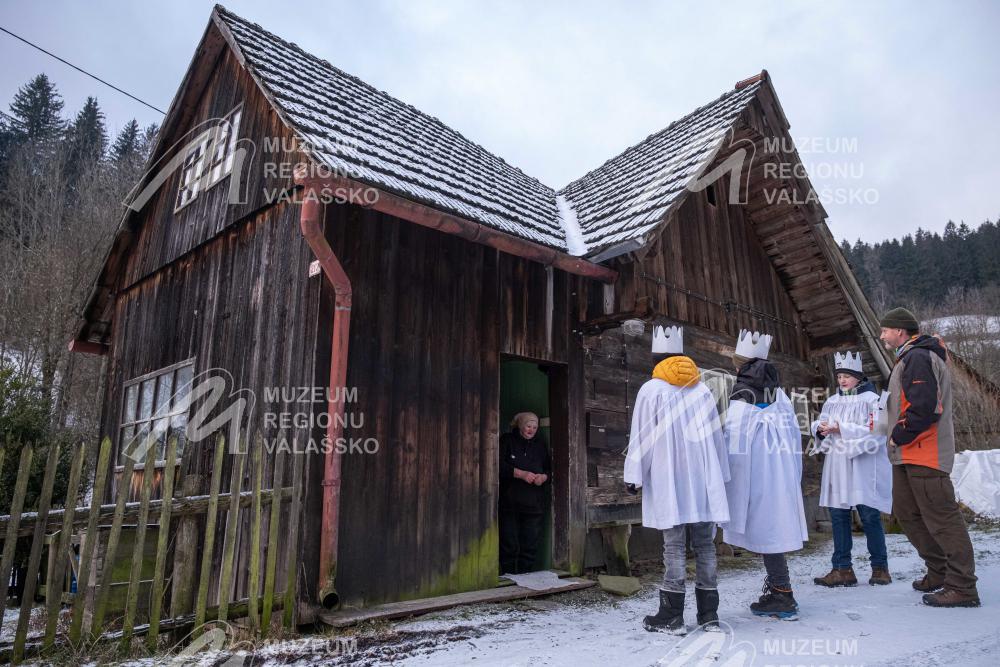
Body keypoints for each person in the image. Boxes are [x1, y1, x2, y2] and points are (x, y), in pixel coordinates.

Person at [623, 325, 730, 634]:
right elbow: (717, 436)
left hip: (670, 478)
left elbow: (642, 435)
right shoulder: (702, 390)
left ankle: (671, 615)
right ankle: (709, 615)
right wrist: (721, 474)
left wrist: (634, 476)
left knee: (674, 546)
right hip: (703, 480)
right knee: (705, 545)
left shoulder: (651, 389)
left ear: (655, 357)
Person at [879, 307, 979, 607]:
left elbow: (924, 408)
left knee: (943, 520)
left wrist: (898, 434)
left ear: (900, 331)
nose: (881, 335)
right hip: (906, 455)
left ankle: (962, 586)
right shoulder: (909, 357)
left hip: (925, 452)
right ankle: (940, 571)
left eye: (885, 330)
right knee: (907, 513)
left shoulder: (918, 357)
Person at [721, 329, 809, 620]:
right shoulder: (780, 395)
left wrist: (725, 478)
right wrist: (792, 472)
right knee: (773, 529)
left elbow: (733, 441)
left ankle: (782, 594)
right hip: (780, 472)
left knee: (767, 530)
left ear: (742, 366)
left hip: (754, 475)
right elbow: (794, 435)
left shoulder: (742, 395)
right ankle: (780, 590)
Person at [809, 351, 893, 588]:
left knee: (869, 514)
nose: (842, 380)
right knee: (838, 515)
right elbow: (822, 423)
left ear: (858, 376)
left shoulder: (872, 400)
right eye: (839, 376)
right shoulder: (832, 401)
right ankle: (842, 568)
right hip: (837, 465)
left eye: (847, 376)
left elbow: (878, 432)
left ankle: (880, 568)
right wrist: (821, 429)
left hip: (862, 463)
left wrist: (842, 429)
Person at [498, 411, 551, 575]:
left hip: (534, 504)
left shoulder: (540, 445)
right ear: (521, 425)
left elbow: (549, 469)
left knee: (529, 545)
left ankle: (525, 577)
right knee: (509, 543)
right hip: (510, 502)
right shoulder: (507, 441)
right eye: (528, 426)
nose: (531, 430)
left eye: (535, 427)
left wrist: (543, 477)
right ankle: (507, 577)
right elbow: (497, 465)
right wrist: (521, 474)